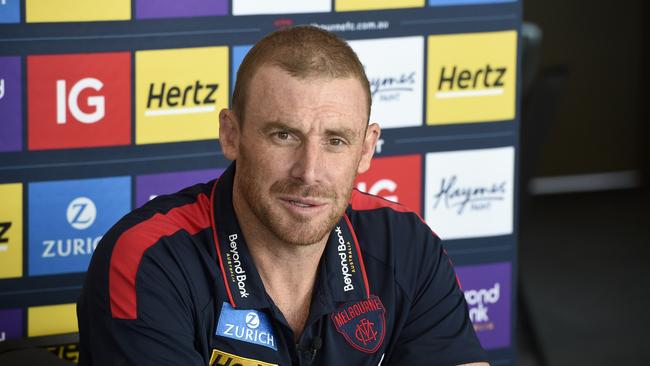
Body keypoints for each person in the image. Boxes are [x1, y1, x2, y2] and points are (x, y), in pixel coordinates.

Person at [77, 26, 489, 366]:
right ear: (231, 135)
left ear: (365, 150)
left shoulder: (405, 244)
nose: (308, 171)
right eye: (284, 135)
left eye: (335, 141)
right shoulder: (149, 259)